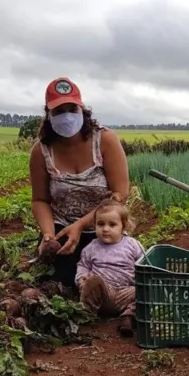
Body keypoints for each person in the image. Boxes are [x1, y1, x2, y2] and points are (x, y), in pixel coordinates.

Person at [29, 77, 130, 289]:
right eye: (59, 111)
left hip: (103, 226)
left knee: (113, 278)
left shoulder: (105, 140)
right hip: (62, 230)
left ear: (81, 109)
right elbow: (39, 200)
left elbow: (120, 194)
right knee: (60, 284)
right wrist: (48, 235)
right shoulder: (41, 151)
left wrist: (81, 225)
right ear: (49, 114)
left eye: (71, 109)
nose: (66, 116)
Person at [75, 198, 145, 337]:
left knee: (145, 290)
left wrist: (140, 283)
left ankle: (128, 317)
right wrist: (82, 279)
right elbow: (83, 266)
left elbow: (143, 265)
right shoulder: (91, 248)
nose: (105, 229)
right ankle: (86, 319)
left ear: (123, 226)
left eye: (112, 225)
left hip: (126, 293)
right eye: (100, 224)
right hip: (103, 294)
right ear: (94, 225)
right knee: (93, 281)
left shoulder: (132, 245)